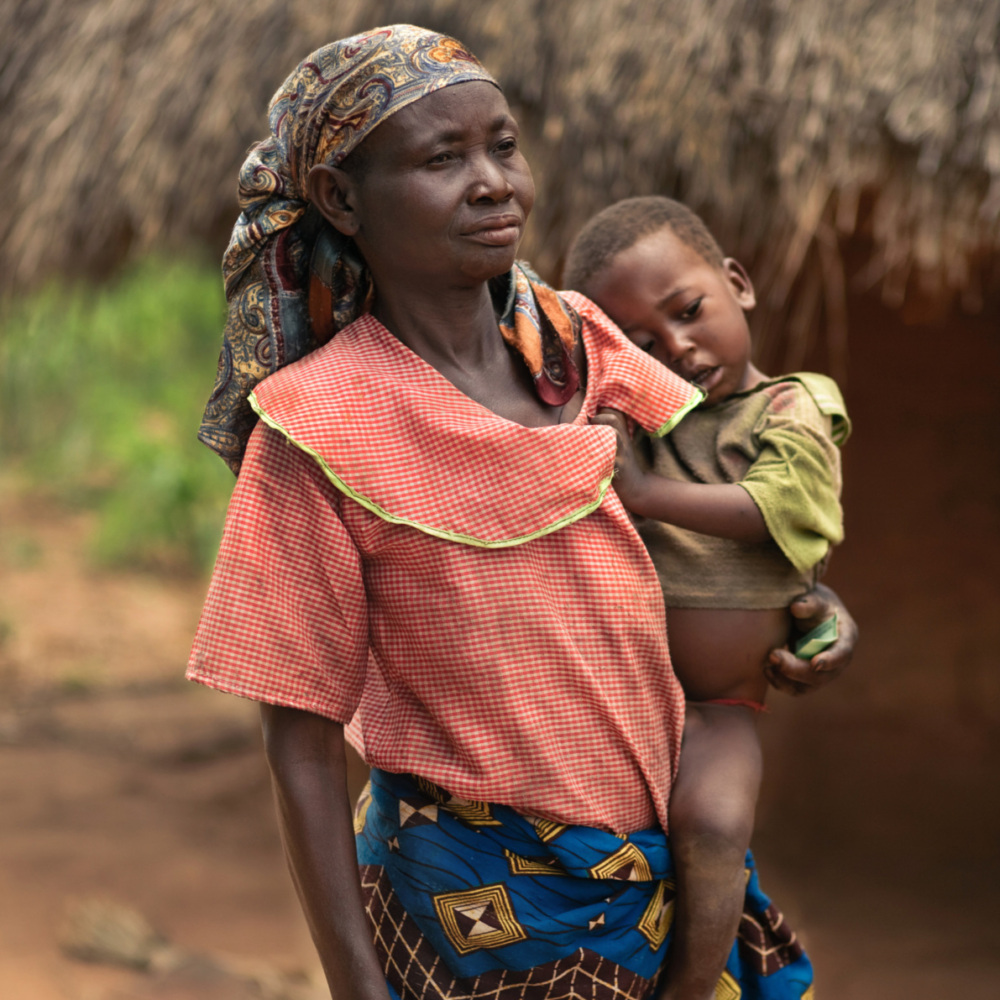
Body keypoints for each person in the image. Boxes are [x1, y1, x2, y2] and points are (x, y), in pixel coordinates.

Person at [188, 26, 855, 1000]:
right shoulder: (316, 431)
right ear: (340, 197)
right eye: (441, 158)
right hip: (475, 907)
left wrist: (811, 607)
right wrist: (357, 985)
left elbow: (706, 520)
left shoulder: (586, 346)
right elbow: (296, 738)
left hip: (659, 890)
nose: (493, 181)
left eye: (502, 146)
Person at [564, 195, 850, 999]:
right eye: (643, 344)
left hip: (722, 705)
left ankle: (689, 990)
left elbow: (781, 507)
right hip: (622, 695)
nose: (678, 349)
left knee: (717, 825)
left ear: (738, 283)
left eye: (689, 312)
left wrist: (648, 493)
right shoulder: (642, 424)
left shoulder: (795, 405)